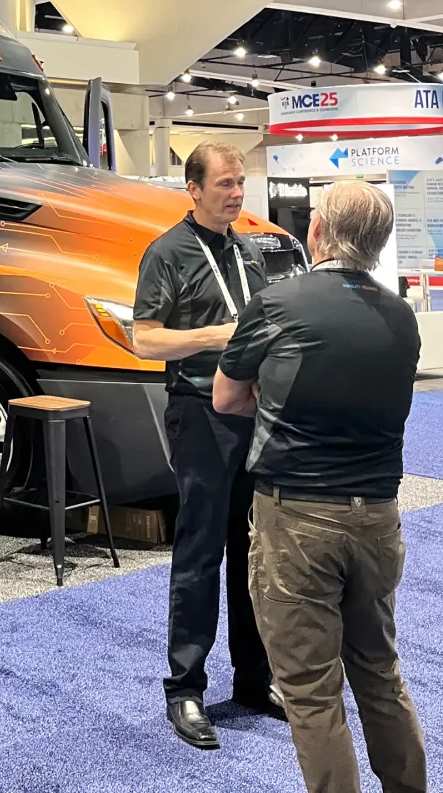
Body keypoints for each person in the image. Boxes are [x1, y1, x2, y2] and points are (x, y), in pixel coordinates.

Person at [214, 180, 425, 793]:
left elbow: (227, 396)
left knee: (310, 692)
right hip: (379, 517)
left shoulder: (279, 303)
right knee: (380, 673)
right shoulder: (402, 318)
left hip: (298, 517)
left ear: (316, 232)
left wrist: (276, 396)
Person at [132, 141, 279, 750]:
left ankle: (254, 679)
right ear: (193, 189)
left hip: (253, 412)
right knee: (200, 552)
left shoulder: (248, 252)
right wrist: (216, 336)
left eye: (241, 183)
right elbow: (143, 341)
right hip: (199, 414)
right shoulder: (165, 254)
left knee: (255, 550)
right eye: (225, 185)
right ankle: (185, 688)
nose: (237, 194)